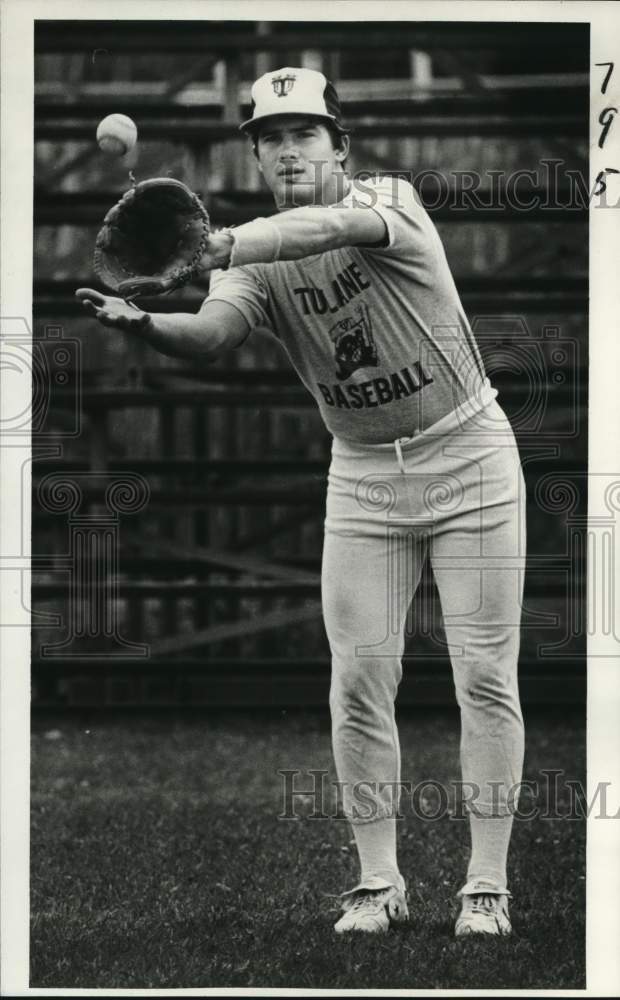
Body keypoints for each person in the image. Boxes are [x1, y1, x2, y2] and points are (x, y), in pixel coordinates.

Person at [76, 66, 526, 938]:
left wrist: (222, 246)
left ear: (340, 145)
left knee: (483, 677)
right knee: (357, 681)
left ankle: (487, 886)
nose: (287, 149)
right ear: (256, 152)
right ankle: (378, 882)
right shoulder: (248, 258)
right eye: (270, 137)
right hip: (361, 472)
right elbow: (212, 333)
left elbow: (330, 225)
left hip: (470, 454)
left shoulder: (384, 198)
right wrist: (147, 328)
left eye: (304, 133)